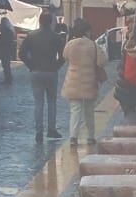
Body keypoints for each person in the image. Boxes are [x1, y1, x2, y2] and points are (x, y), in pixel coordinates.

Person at [60, 19, 106, 147]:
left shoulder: (70, 44)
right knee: (89, 111)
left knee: (75, 110)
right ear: (86, 31)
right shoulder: (93, 45)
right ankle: (90, 137)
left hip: (73, 82)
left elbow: (65, 56)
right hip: (89, 82)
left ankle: (73, 137)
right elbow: (102, 61)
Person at [22, 11, 67, 143]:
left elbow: (22, 53)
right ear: (51, 22)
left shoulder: (31, 36)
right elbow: (63, 56)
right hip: (51, 71)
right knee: (52, 102)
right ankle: (51, 129)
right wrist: (56, 66)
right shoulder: (56, 37)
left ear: (40, 21)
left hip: (36, 71)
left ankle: (39, 132)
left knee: (38, 103)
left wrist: (30, 65)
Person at [0, 15, 16, 82]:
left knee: (5, 65)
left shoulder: (5, 31)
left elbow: (3, 41)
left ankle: (8, 79)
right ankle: (8, 78)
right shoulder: (9, 30)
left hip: (5, 50)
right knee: (6, 65)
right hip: (7, 50)